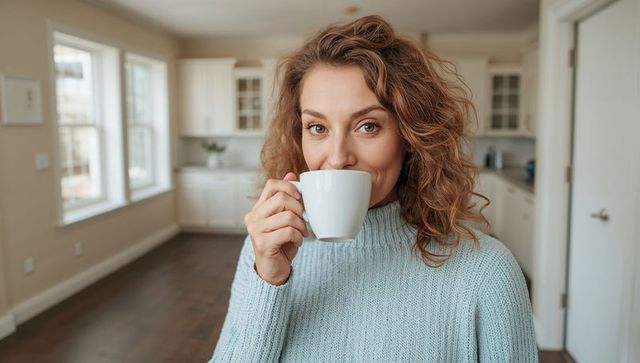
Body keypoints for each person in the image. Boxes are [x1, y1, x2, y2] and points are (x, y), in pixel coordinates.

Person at [210, 15, 538, 362]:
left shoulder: (487, 272)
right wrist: (269, 280)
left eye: (368, 126)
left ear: (411, 136)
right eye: (317, 127)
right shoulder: (263, 253)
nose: (337, 158)